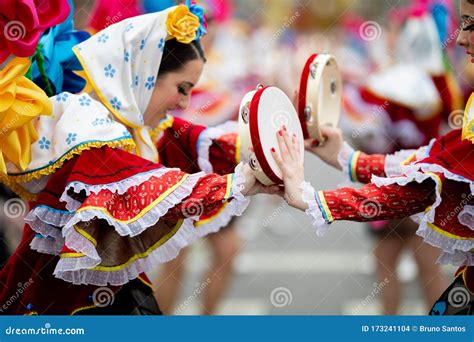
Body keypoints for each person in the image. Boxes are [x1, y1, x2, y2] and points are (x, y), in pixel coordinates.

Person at [0, 5, 277, 315]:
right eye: (181, 88)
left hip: (108, 295)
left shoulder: (133, 124)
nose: (184, 103)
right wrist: (241, 183)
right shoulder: (85, 124)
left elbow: (196, 141)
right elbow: (142, 190)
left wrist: (278, 141)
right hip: (62, 307)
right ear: (145, 75)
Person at [269, 0, 474, 316]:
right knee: (428, 274)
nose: (460, 38)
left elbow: (421, 172)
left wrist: (318, 197)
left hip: (403, 193)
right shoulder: (446, 84)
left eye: (470, 25)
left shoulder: (388, 84)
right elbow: (438, 157)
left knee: (388, 270)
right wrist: (347, 160)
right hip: (419, 191)